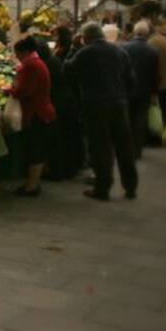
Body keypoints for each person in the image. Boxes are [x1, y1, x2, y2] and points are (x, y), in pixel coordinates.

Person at [65, 22, 137, 201]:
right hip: (119, 104)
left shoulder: (85, 52)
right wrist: (123, 97)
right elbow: (131, 79)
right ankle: (131, 186)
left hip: (96, 105)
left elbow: (67, 69)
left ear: (85, 37)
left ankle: (102, 188)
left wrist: (73, 48)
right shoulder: (120, 51)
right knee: (124, 147)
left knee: (101, 147)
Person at [9, 37, 56, 196]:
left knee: (35, 149)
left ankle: (31, 186)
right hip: (43, 111)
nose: (17, 57)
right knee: (38, 148)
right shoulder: (39, 63)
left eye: (18, 54)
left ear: (25, 52)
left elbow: (25, 91)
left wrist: (11, 91)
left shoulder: (31, 66)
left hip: (36, 113)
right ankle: (33, 183)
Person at [36, 37, 81, 180]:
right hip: (67, 103)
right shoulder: (53, 61)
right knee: (66, 139)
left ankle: (57, 171)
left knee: (58, 140)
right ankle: (69, 169)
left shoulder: (46, 64)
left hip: (59, 105)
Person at [123, 20, 159, 158]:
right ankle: (137, 150)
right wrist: (154, 92)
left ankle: (127, 148)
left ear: (134, 32)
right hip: (145, 90)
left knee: (128, 119)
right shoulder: (153, 51)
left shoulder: (125, 47)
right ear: (147, 33)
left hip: (128, 89)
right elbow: (156, 75)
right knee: (140, 120)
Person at [146, 19, 166, 127]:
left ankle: (159, 132)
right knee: (164, 109)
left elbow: (153, 65)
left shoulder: (153, 42)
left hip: (161, 83)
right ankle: (165, 130)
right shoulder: (165, 40)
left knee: (158, 110)